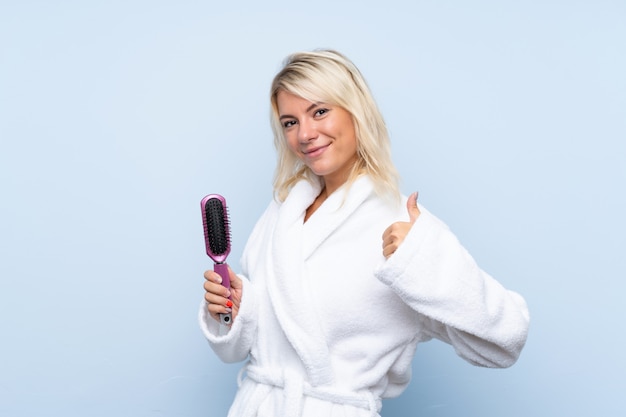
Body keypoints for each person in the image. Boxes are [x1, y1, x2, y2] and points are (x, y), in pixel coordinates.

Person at [199, 49, 530, 417]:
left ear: (355, 110)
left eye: (320, 111)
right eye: (290, 122)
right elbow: (242, 349)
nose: (305, 134)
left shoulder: (402, 225)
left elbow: (506, 340)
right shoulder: (282, 211)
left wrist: (424, 260)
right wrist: (236, 309)